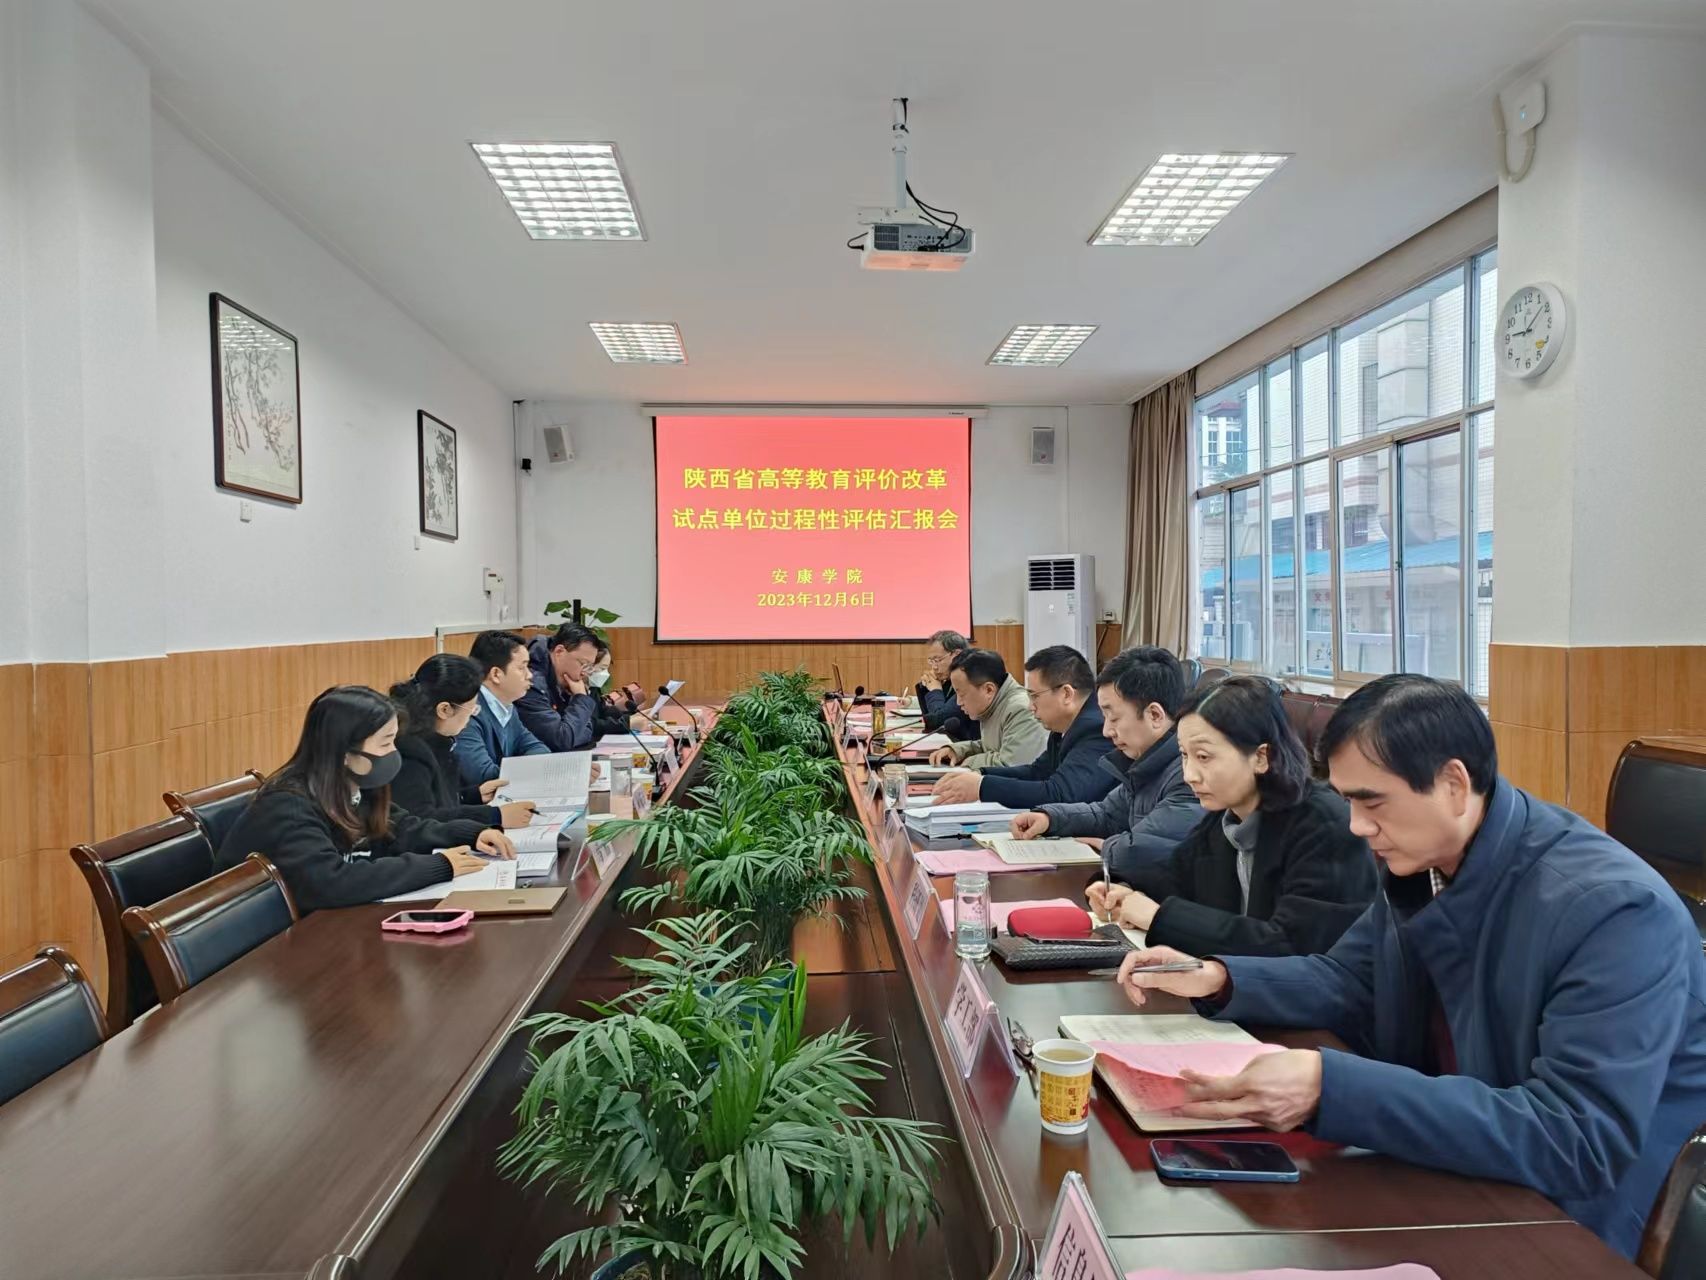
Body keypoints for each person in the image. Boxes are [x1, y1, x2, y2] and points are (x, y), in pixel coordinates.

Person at [1116, 674, 1706, 1259]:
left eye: (1371, 801)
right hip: (1457, 1163)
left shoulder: (1614, 912)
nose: (1356, 825)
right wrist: (1223, 977)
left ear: (1453, 784)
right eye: (1348, 800)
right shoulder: (1427, 860)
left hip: (1574, 1223)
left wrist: (1330, 1089)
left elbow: (1575, 1138)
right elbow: (1351, 977)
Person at [1097, 674, 1375, 957]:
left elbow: (1290, 945)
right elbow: (1174, 881)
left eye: (1204, 757)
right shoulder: (1225, 819)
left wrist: (1159, 917)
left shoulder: (1324, 825)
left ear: (1261, 757)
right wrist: (1122, 891)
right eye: (1184, 755)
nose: (1189, 775)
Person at [216, 685, 513, 912]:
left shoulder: (356, 785)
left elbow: (401, 827)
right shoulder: (288, 805)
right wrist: (438, 866)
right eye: (385, 743)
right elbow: (332, 881)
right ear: (345, 752)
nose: (394, 753)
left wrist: (471, 833)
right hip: (268, 945)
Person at [1010, 646, 1203, 900]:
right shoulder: (1144, 762)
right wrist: (1050, 818)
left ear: (1155, 715)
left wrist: (1107, 847)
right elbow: (1107, 814)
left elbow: (1140, 851)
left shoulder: (1189, 775)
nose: (1106, 731)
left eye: (1113, 718)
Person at [931, 645, 1119, 809]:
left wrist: (982, 787)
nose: (1030, 706)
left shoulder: (1096, 729)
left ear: (1066, 694)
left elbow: (1061, 793)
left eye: (1035, 696)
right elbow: (1037, 772)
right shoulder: (1063, 727)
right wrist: (981, 774)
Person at [389, 653, 539, 827]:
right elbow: (422, 819)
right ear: (444, 710)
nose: (472, 716)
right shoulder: (410, 751)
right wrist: (495, 816)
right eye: (471, 709)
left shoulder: (439, 740)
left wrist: (474, 795)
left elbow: (441, 801)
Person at [455, 630, 550, 796]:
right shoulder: (467, 713)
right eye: (522, 668)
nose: (530, 675)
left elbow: (537, 748)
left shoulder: (506, 705)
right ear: (496, 674)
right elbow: (483, 777)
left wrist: (532, 767)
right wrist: (536, 771)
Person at [928, 649, 1047, 770]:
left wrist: (969, 761)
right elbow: (990, 747)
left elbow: (1011, 765)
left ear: (988, 690)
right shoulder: (994, 703)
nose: (958, 703)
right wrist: (958, 751)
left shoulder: (1021, 709)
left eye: (962, 694)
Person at [517, 622, 601, 752]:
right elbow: (562, 740)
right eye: (583, 664)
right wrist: (580, 698)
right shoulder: (530, 685)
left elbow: (587, 731)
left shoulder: (562, 681)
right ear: (559, 651)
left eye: (589, 667)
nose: (584, 673)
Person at [914, 628, 976, 741]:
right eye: (931, 661)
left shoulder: (970, 679)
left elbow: (938, 722)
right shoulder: (949, 680)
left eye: (938, 660)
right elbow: (929, 720)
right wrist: (926, 687)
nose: (934, 667)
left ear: (957, 654)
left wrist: (935, 691)